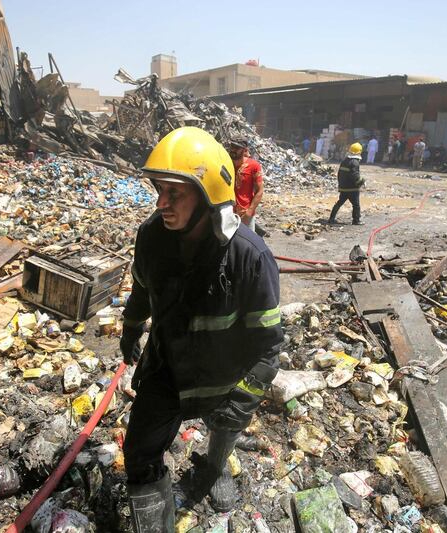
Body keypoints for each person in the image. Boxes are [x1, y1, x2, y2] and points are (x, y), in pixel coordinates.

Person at [120, 127, 282, 531]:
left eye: (175, 193)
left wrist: (240, 401)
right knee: (139, 454)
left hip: (221, 380)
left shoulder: (249, 255)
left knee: (224, 427)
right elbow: (142, 286)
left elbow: (268, 347)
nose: (162, 203)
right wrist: (131, 325)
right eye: (160, 190)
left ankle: (214, 466)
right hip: (166, 371)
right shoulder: (151, 237)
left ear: (208, 195)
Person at [227, 135, 264, 231]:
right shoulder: (225, 163)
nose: (233, 150)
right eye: (232, 146)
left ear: (244, 150)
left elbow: (259, 191)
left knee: (247, 243)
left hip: (245, 215)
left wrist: (249, 212)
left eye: (237, 148)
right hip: (227, 214)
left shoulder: (253, 166)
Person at [328, 142, 365, 225]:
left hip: (343, 188)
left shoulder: (345, 160)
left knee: (339, 202)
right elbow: (355, 176)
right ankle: (356, 220)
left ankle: (331, 219)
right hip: (352, 189)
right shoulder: (355, 162)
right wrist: (362, 181)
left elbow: (339, 174)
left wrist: (340, 185)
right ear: (359, 152)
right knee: (356, 205)